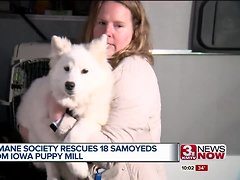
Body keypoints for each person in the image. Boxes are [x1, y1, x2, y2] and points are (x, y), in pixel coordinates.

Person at [20, 1, 166, 179]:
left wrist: (58, 120)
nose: (107, 32)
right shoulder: (97, 64)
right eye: (102, 23)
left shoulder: (132, 71)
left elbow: (110, 152)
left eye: (118, 25)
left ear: (135, 30)